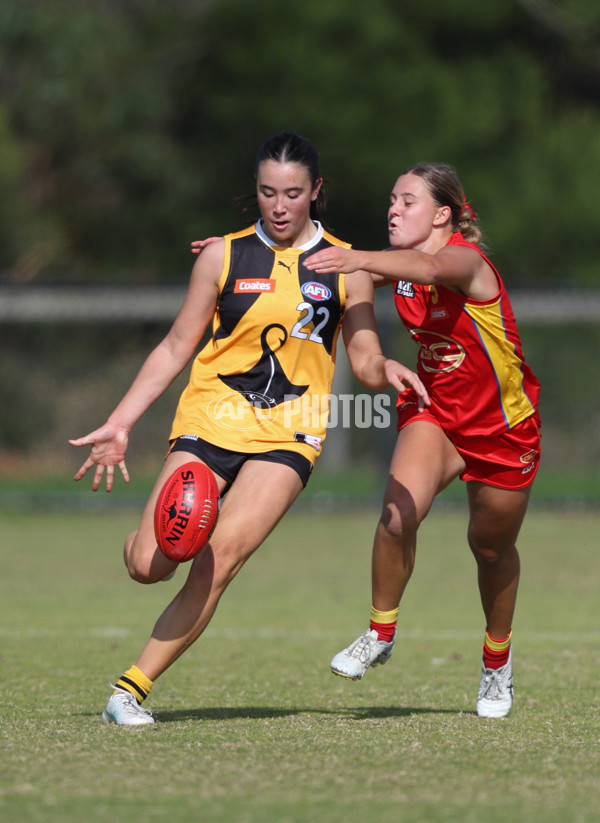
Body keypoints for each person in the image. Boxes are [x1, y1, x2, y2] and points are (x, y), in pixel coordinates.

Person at [69, 132, 429, 726]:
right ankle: (139, 543)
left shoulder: (346, 265)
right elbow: (175, 346)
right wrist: (120, 421)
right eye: (268, 193)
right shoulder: (223, 255)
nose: (280, 206)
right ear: (255, 193)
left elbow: (363, 352)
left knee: (221, 555)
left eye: (293, 193)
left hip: (291, 433)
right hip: (211, 420)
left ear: (315, 191)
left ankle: (128, 691)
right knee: (150, 565)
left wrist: (382, 367)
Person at [304, 162, 541, 718]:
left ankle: (496, 662)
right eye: (390, 199)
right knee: (396, 516)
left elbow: (431, 266)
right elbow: (334, 273)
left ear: (442, 214)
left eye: (407, 201)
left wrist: (357, 259)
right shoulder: (402, 269)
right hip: (433, 412)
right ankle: (379, 632)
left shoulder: (463, 259)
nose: (392, 208)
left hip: (502, 428)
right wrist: (248, 254)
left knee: (490, 549)